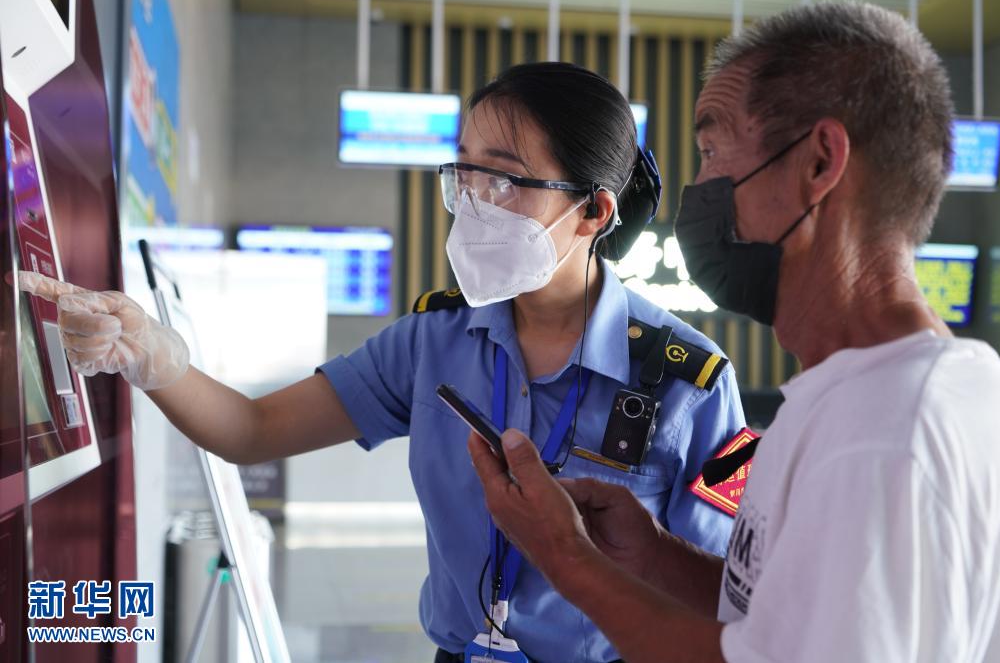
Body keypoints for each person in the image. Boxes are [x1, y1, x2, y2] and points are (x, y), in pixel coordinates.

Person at [21, 62, 748, 662]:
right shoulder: (432, 340)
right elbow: (250, 429)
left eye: (501, 180)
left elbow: (727, 596)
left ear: (592, 211)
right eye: (464, 174)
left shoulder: (697, 383)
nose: (473, 203)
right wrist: (150, 353)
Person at [469, 1, 1000, 663]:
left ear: (819, 163)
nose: (697, 187)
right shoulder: (880, 396)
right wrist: (654, 556)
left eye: (711, 151)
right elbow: (781, 625)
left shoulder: (883, 437)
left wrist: (562, 553)